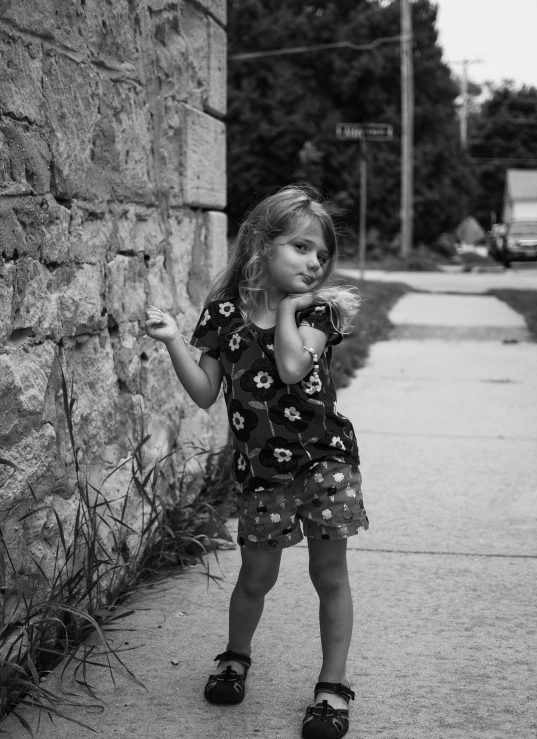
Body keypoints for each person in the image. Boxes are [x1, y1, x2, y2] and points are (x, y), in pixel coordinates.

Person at [145, 184, 369, 739]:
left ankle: (331, 688)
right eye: (300, 248)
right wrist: (174, 340)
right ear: (260, 247)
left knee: (328, 575)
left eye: (321, 254)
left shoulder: (319, 310)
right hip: (261, 471)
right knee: (254, 577)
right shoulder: (222, 314)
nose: (314, 262)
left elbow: (292, 367)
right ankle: (234, 658)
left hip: (325, 465)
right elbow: (203, 392)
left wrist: (290, 307)